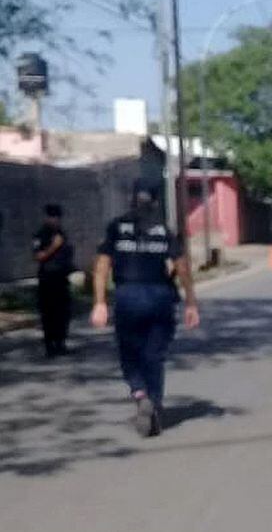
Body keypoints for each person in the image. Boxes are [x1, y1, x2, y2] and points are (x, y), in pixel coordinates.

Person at [90, 180, 200, 437]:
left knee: (129, 352)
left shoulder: (116, 228)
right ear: (155, 202)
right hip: (160, 296)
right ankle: (155, 402)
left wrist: (99, 302)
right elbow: (182, 268)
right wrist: (191, 302)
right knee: (154, 355)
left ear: (132, 199)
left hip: (128, 296)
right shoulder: (164, 230)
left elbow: (101, 267)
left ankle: (140, 393)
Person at [33, 204, 74, 357]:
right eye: (52, 217)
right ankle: (50, 345)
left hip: (61, 280)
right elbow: (38, 256)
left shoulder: (61, 233)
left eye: (57, 217)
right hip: (47, 280)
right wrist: (53, 246)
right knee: (48, 313)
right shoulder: (41, 234)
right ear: (47, 217)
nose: (55, 220)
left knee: (62, 313)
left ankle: (61, 343)